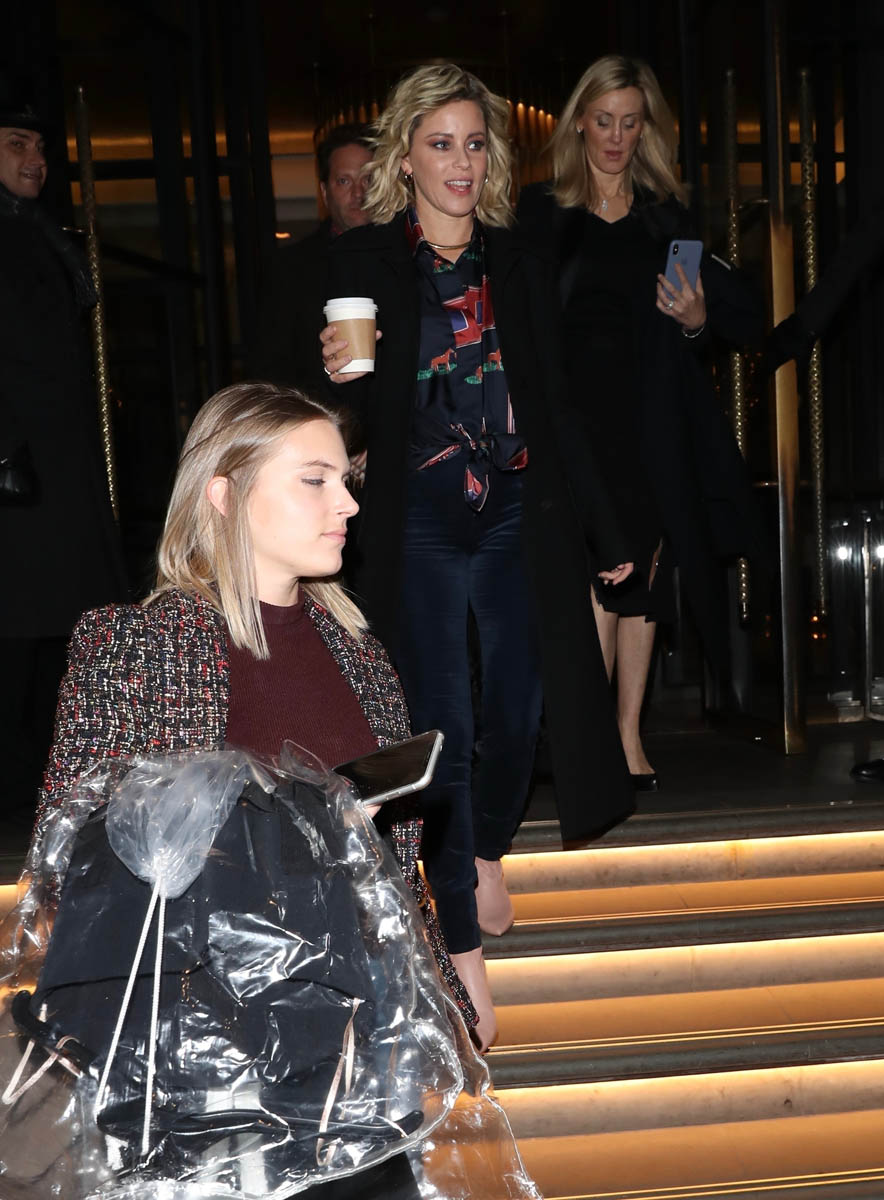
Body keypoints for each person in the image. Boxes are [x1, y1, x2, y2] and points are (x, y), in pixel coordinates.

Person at [28, 381, 500, 1199]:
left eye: (347, 480)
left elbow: (395, 867)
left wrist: (452, 979)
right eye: (315, 480)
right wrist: (290, 825)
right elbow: (71, 854)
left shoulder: (358, 652)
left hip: (362, 1031)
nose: (347, 503)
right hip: (207, 1050)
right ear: (224, 493)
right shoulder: (143, 643)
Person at [320, 63, 636, 1051]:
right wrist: (335, 389)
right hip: (415, 518)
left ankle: (486, 844)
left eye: (473, 143)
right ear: (405, 158)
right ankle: (457, 942)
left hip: (513, 510)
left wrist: (607, 530)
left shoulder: (517, 258)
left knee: (518, 709)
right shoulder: (365, 261)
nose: (460, 162)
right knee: (443, 724)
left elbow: (556, 404)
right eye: (440, 144)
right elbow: (323, 410)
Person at [518, 54, 765, 789]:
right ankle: (590, 739)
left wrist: (695, 321)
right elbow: (523, 326)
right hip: (573, 426)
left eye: (630, 123)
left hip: (650, 422)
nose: (616, 138)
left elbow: (705, 328)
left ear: (645, 128)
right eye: (604, 121)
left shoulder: (666, 218)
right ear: (579, 123)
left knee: (645, 580)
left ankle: (626, 734)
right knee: (601, 574)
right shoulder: (542, 213)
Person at [0, 79, 127, 828]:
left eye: (41, 146)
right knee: (19, 632)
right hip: (17, 471)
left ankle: (59, 782)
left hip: (57, 464)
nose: (36, 158)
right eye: (17, 144)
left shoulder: (36, 231)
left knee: (65, 629)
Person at [250, 123, 373, 393]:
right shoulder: (289, 269)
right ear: (324, 192)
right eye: (344, 181)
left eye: (368, 179)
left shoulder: (411, 258)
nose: (358, 193)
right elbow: (271, 372)